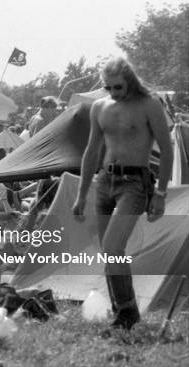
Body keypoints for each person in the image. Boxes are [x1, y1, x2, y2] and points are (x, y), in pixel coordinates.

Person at [72, 57, 173, 331]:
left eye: (118, 87)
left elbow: (167, 149)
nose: (114, 93)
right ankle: (123, 313)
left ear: (129, 79)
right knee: (109, 252)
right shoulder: (100, 107)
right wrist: (81, 194)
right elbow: (92, 151)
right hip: (105, 180)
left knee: (114, 247)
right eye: (108, 88)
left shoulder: (149, 104)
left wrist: (161, 193)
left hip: (135, 182)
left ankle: (127, 312)